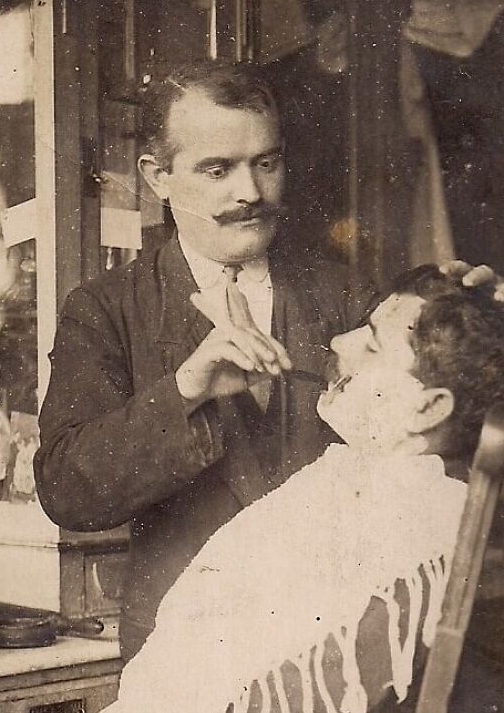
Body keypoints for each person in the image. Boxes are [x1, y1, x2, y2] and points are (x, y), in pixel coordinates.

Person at [19, 264, 504, 713]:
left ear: (429, 407)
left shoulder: (413, 550)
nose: (342, 344)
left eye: (374, 344)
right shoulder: (369, 489)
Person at [34, 60, 376, 662]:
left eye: (266, 164)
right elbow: (66, 490)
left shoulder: (346, 299)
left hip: (332, 646)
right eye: (217, 170)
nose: (249, 193)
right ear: (157, 177)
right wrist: (185, 389)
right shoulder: (105, 309)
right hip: (182, 656)